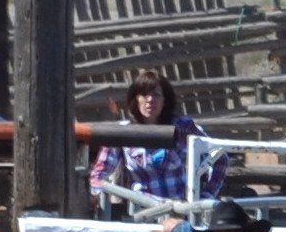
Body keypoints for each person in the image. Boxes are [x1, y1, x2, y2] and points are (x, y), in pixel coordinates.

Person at [88, 68, 226, 211]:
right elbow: (97, 176)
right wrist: (97, 196)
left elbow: (220, 157)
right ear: (136, 99)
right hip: (142, 213)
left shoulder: (183, 127)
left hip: (180, 210)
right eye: (144, 94)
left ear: (165, 100)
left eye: (156, 95)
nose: (150, 100)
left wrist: (207, 195)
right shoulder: (123, 133)